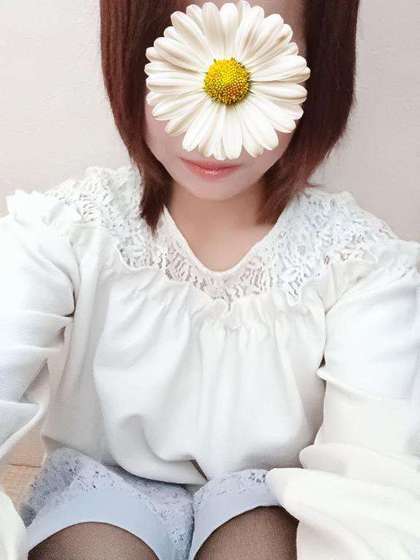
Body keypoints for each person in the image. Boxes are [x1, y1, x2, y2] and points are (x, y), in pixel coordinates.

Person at [1, 1, 420, 559]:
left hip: (272, 501)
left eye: (260, 60)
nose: (212, 123)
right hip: (99, 498)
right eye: (179, 57)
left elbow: (374, 471)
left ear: (318, 67)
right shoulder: (69, 231)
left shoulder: (359, 263)